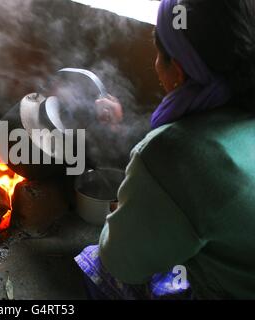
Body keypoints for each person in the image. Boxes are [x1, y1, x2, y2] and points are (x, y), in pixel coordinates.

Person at [77, 0, 255, 299]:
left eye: (159, 54)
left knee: (94, 262)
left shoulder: (175, 153)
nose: (156, 65)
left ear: (180, 71)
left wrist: (124, 215)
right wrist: (121, 126)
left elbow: (122, 263)